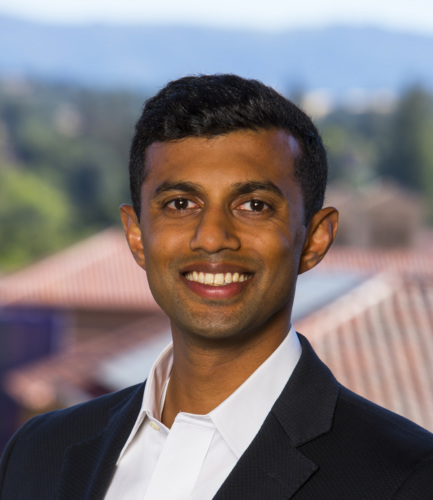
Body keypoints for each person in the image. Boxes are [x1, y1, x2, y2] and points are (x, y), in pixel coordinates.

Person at [1, 74, 433, 500]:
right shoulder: (38, 452)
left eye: (254, 205)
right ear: (137, 236)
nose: (211, 237)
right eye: (180, 204)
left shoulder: (406, 478)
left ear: (315, 239)